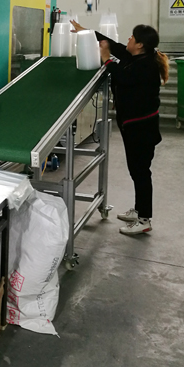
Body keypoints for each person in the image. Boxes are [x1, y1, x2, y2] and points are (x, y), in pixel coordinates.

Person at [70, 20, 169, 236]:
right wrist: (86, 32)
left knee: (141, 172)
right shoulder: (136, 57)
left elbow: (123, 77)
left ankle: (144, 219)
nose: (128, 39)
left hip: (142, 128)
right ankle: (139, 210)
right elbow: (113, 45)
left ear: (140, 45)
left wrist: (106, 58)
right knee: (136, 170)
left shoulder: (146, 66)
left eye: (132, 37)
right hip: (133, 126)